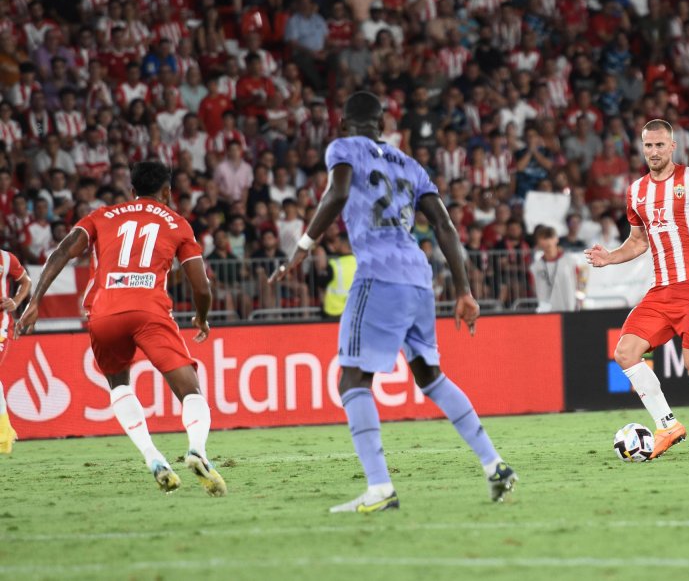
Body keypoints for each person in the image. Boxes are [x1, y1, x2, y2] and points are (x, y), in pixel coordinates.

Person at [270, 91, 515, 514]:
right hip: (419, 277)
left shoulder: (343, 148)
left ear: (345, 124)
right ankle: (495, 465)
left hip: (379, 273)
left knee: (351, 381)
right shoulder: (411, 164)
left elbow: (338, 192)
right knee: (431, 376)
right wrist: (463, 290)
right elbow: (443, 224)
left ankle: (380, 488)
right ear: (382, 124)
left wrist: (303, 247)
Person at [16, 161, 226, 492]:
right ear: (168, 192)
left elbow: (61, 252)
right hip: (149, 311)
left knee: (119, 385)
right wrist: (201, 316)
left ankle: (152, 457)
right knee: (190, 390)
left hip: (104, 314)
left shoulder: (102, 215)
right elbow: (202, 288)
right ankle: (197, 450)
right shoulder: (178, 223)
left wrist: (35, 300)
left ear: (132, 191)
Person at [585, 119, 689, 460]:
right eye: (648, 146)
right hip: (660, 290)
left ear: (672, 147)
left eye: (660, 145)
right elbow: (638, 241)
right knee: (625, 353)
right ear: (642, 148)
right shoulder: (637, 191)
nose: (653, 151)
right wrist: (611, 257)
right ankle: (667, 425)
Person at [0, 247, 31, 454]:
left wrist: (16, 301)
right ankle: (5, 433)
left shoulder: (6, 258)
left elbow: (25, 281)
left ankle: (4, 437)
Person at [530, 225, 578, 313]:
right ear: (539, 242)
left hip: (569, 308)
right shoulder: (536, 267)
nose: (548, 242)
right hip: (546, 310)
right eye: (544, 238)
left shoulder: (570, 261)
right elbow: (534, 287)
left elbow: (578, 281)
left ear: (556, 239)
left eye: (550, 237)